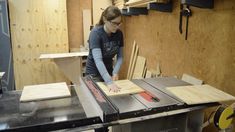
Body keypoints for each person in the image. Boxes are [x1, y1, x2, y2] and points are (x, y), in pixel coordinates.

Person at [86, 6, 123, 94]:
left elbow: (121, 57)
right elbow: (98, 60)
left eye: (119, 23)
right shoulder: (96, 33)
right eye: (114, 23)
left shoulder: (119, 34)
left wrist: (115, 72)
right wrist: (109, 81)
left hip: (108, 72)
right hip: (94, 74)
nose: (117, 26)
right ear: (105, 19)